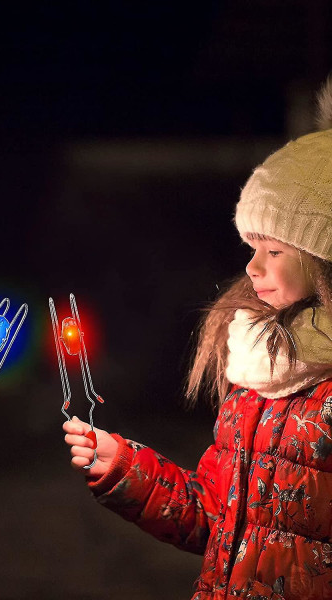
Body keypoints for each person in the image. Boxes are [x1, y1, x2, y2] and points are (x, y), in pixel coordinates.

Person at [63, 79, 332, 600]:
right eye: (251, 247)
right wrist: (123, 466)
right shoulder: (259, 367)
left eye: (274, 251)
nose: (252, 267)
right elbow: (218, 518)